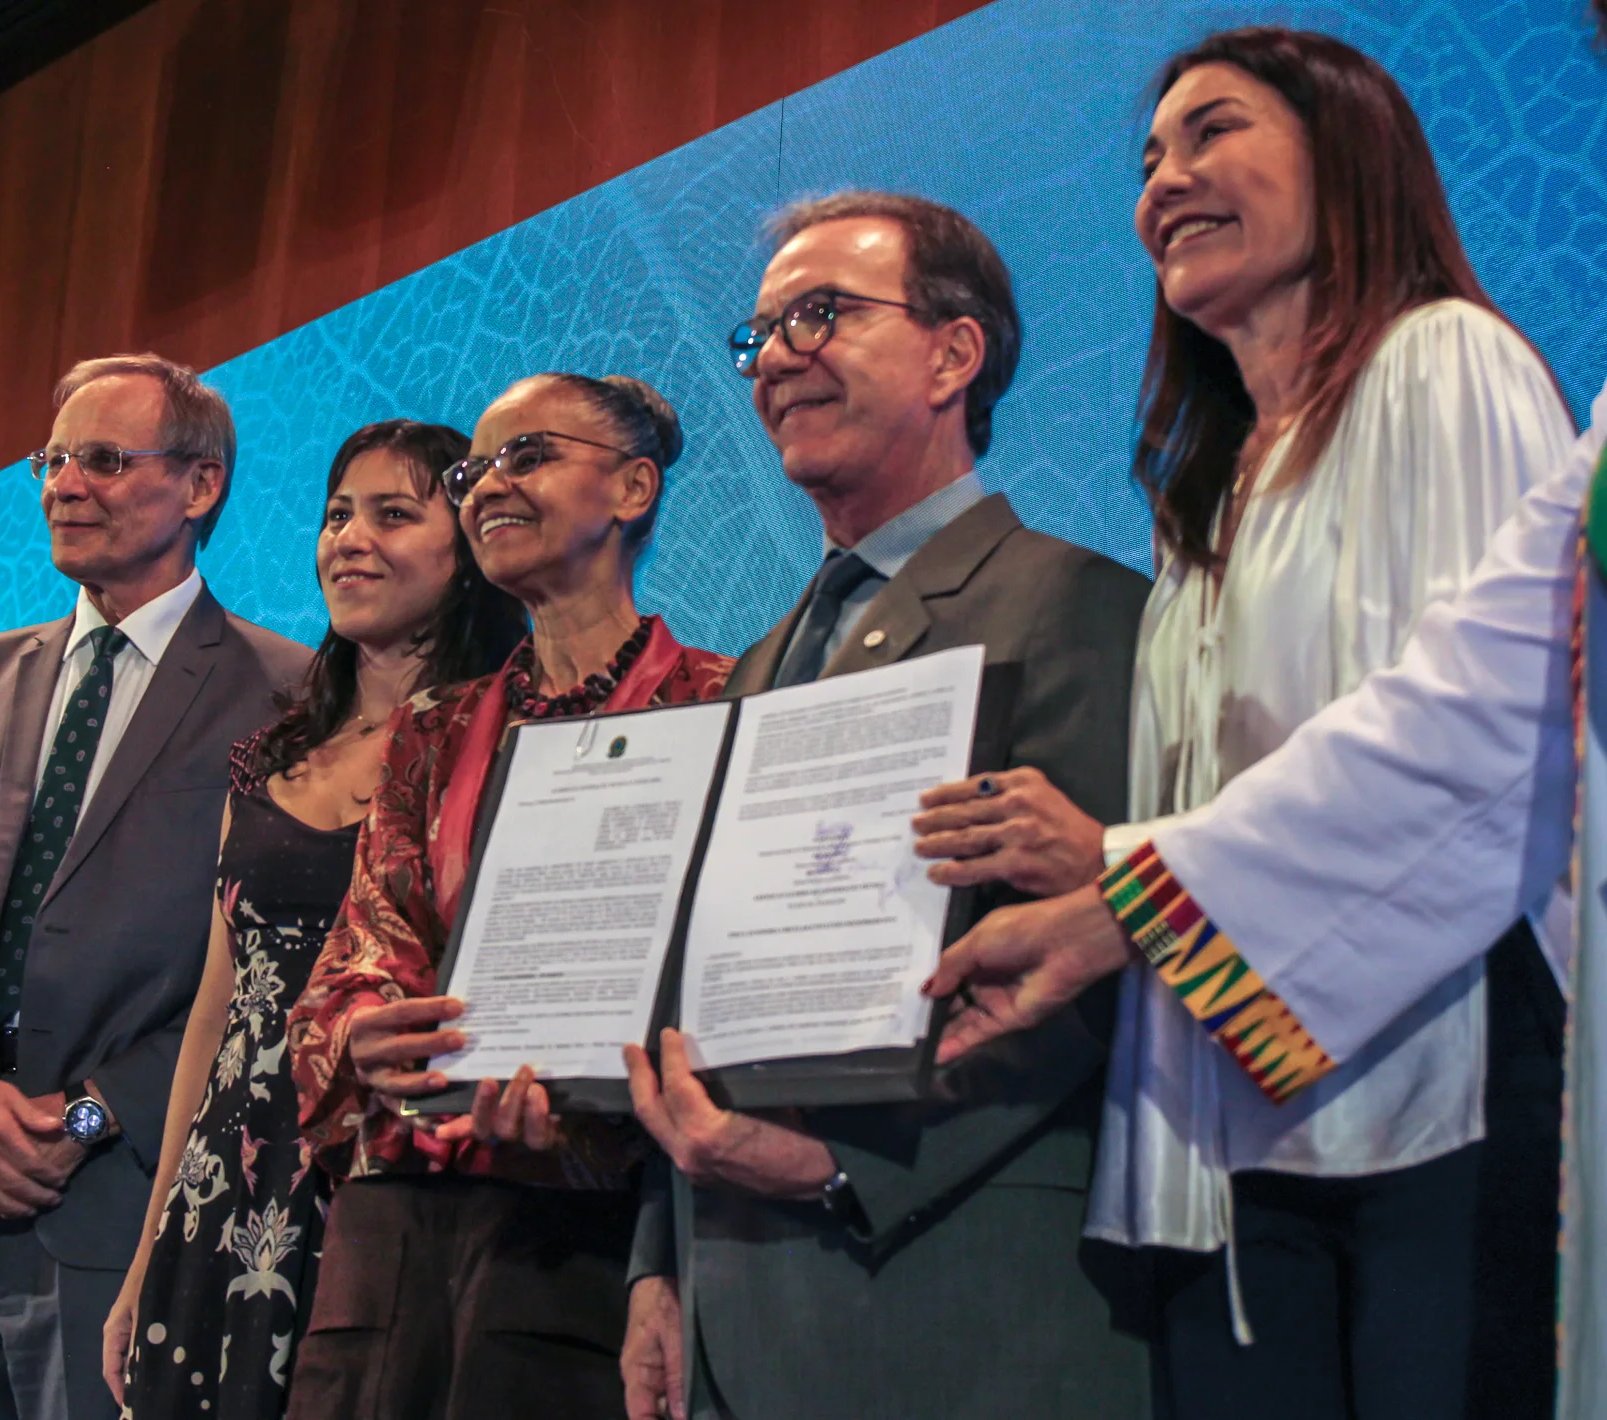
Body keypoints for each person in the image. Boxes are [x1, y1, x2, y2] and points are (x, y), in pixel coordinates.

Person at [909, 30, 1576, 1420]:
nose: (1163, 181)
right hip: (1228, 1128)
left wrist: (1127, 892)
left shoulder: (1442, 363)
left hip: (1437, 1093)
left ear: (1346, 153)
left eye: (1212, 132)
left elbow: (1480, 738)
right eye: (1149, 157)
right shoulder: (1206, 500)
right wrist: (1120, 874)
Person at [614, 192, 1152, 1420]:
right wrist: (657, 1261)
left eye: (819, 315)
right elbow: (699, 986)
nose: (776, 357)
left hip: (960, 1305)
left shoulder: (1075, 604)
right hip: (730, 1308)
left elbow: (1094, 968)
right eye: (759, 335)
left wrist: (835, 1164)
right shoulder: (751, 667)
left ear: (953, 354)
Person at [0, 354, 310, 1420]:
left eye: (101, 459)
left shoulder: (287, 693)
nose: (63, 486)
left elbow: (271, 969)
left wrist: (89, 1114)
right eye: (50, 462)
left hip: (118, 1206)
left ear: (199, 485)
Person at [283, 372, 732, 1420]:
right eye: (472, 471)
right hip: (395, 1225)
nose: (488, 486)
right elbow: (356, 957)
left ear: (632, 488)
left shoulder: (721, 701)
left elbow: (725, 975)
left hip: (597, 1229)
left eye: (527, 456)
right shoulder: (432, 730)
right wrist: (367, 1036)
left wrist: (590, 1094)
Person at [100, 419, 525, 1418]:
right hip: (222, 1188)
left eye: (393, 514)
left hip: (382, 1186)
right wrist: (151, 1244)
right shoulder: (267, 756)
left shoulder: (501, 742)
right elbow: (216, 1015)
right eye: (337, 516)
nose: (351, 541)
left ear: (468, 548)